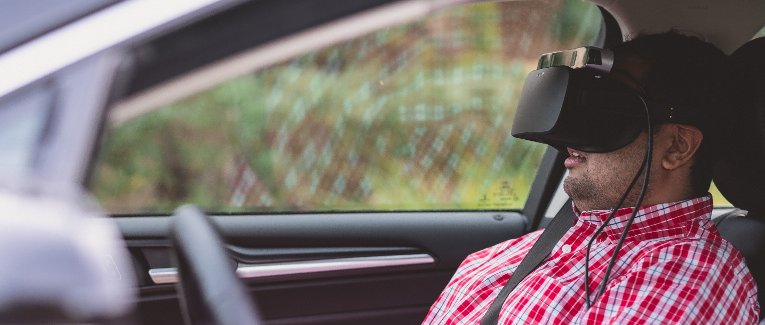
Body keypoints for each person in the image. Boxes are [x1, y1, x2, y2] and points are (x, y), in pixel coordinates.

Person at [423, 32, 760, 324]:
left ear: (676, 146)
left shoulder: (688, 276)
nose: (572, 135)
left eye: (608, 109)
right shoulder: (546, 243)